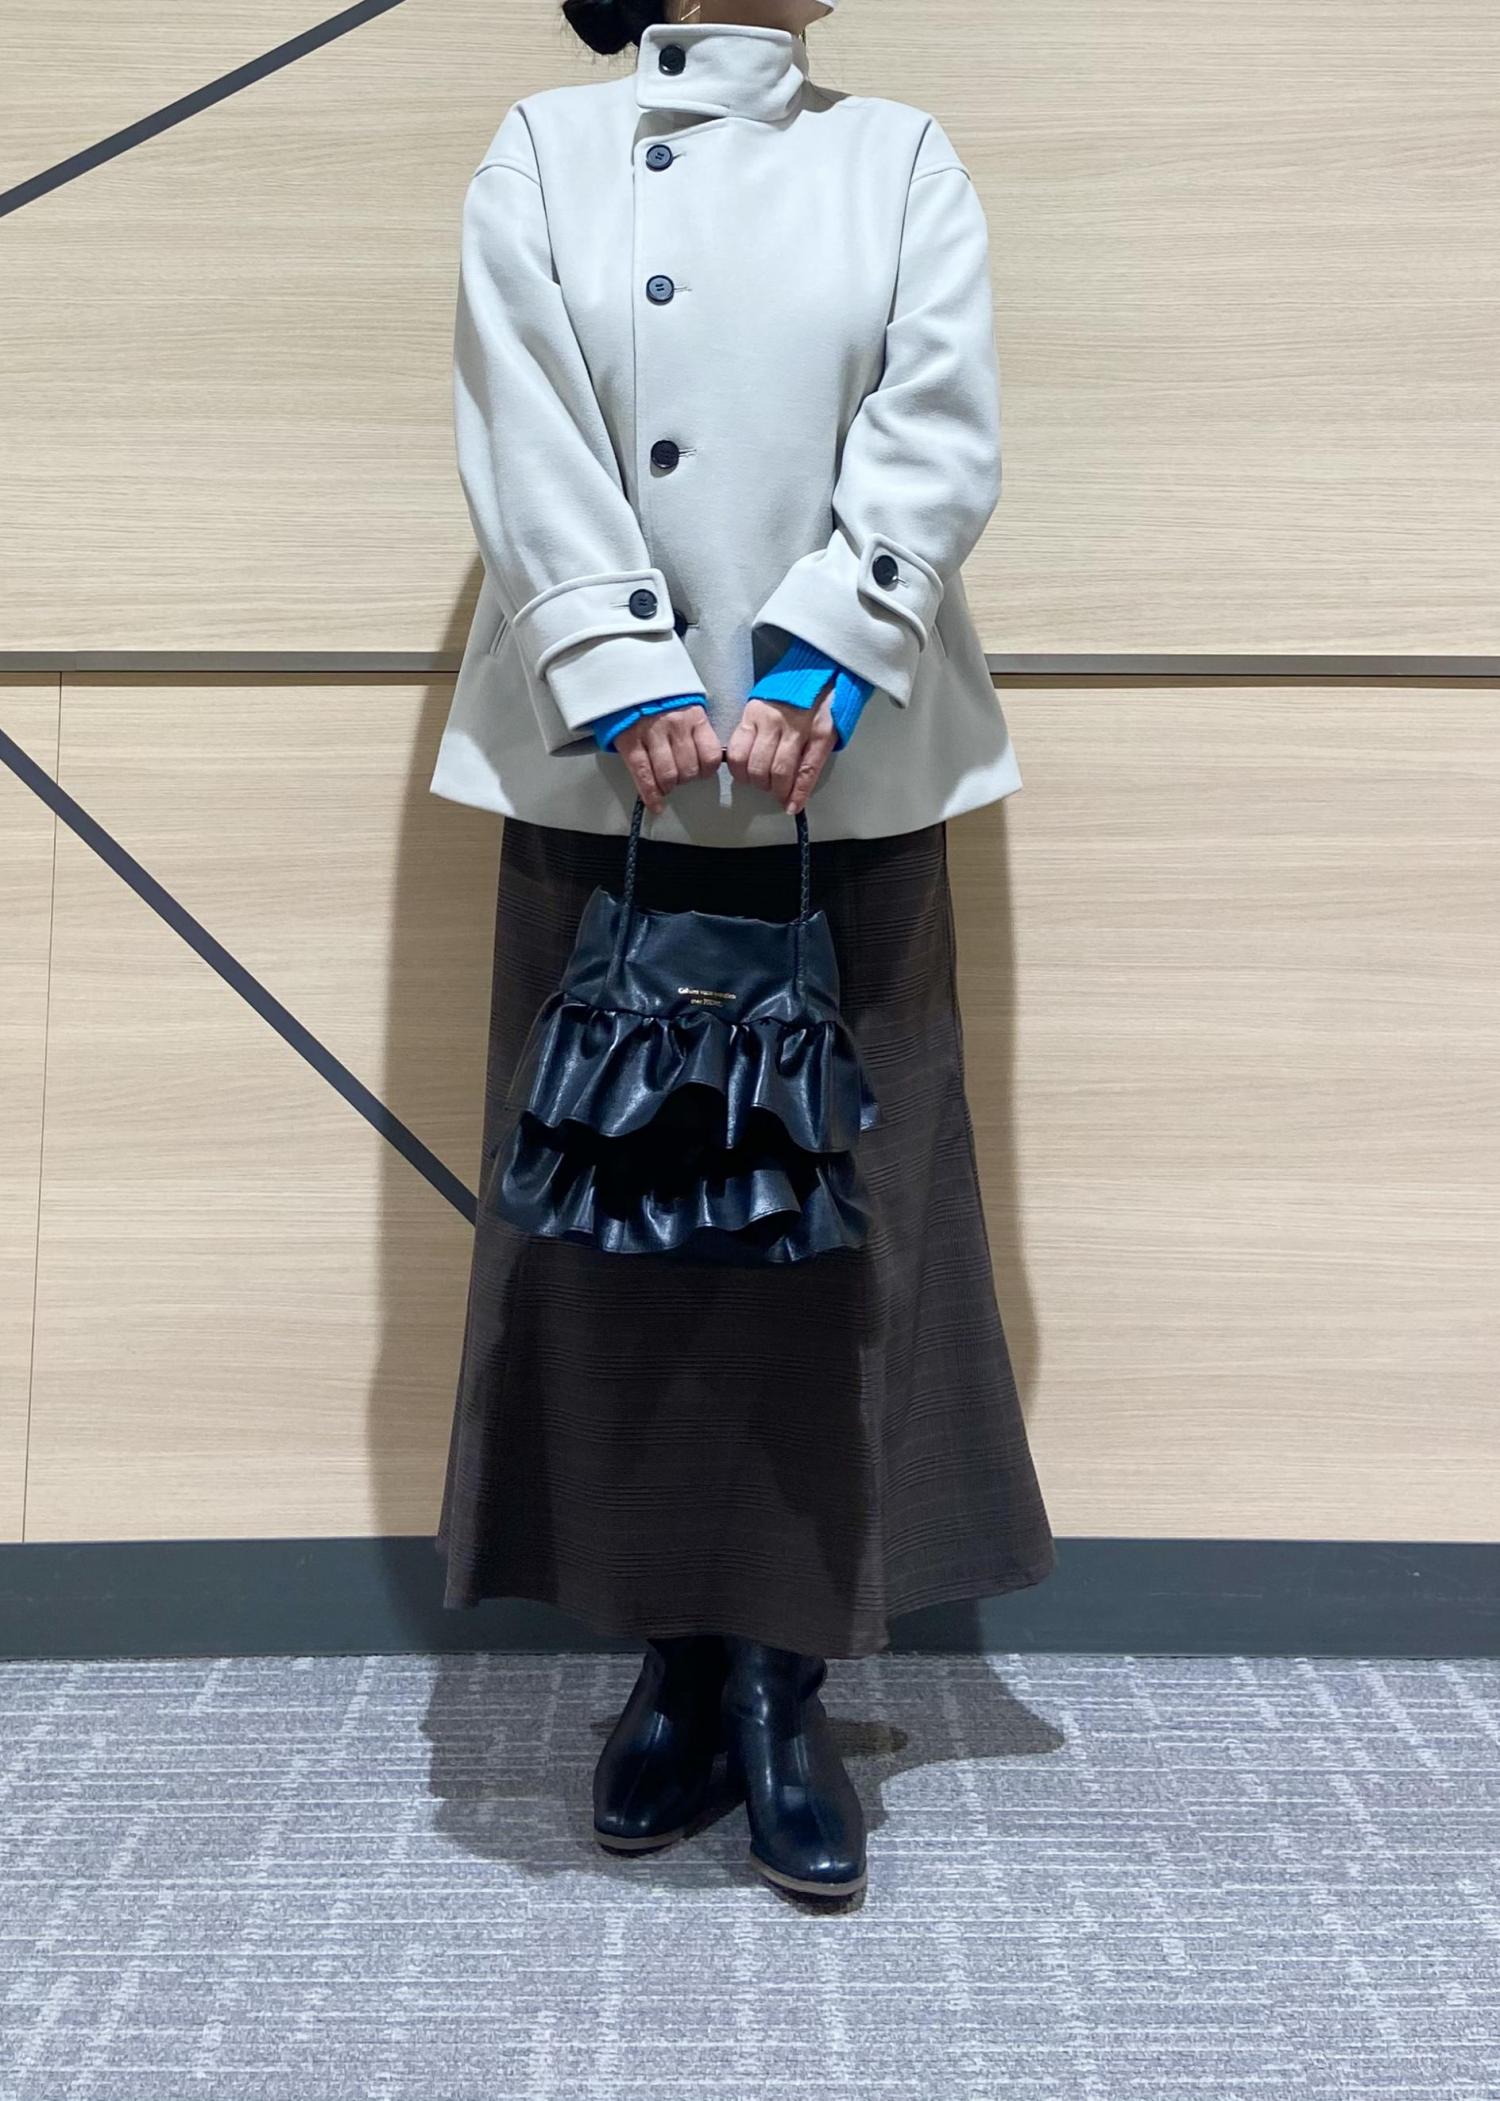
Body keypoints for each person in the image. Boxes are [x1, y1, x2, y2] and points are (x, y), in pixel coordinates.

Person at [429, 0, 1056, 1904]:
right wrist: (621, 663)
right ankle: (670, 1660)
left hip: (837, 765)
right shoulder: (544, 149)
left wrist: (828, 650)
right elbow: (522, 420)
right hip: (604, 763)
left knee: (844, 1229)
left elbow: (939, 418)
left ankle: (789, 1674)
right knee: (616, 1225)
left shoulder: (898, 153)